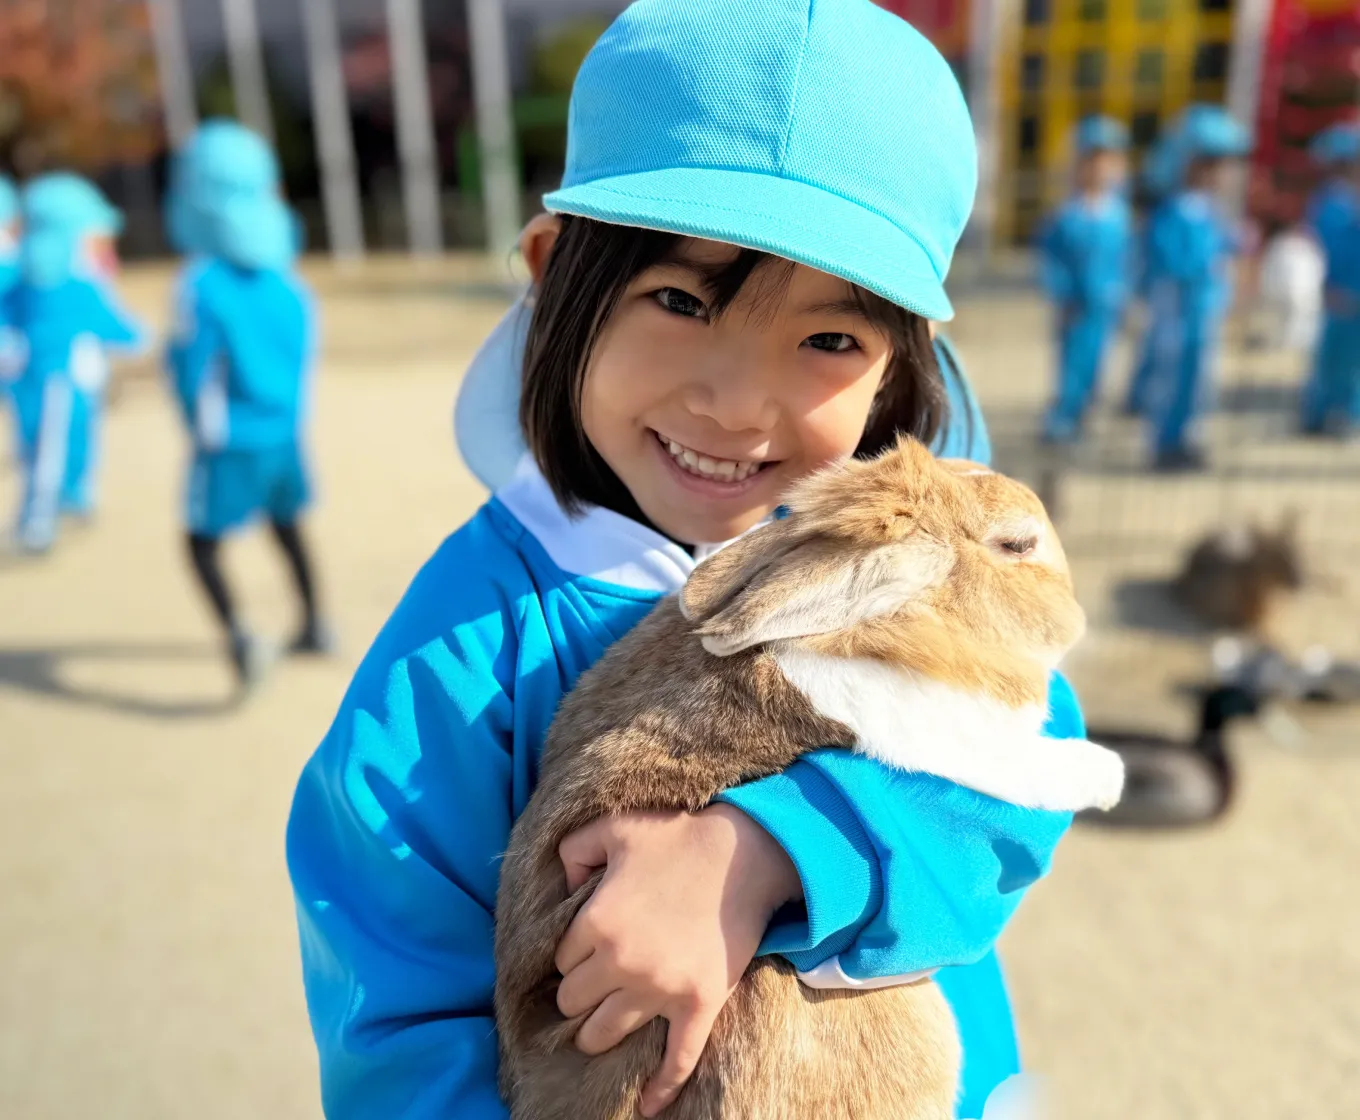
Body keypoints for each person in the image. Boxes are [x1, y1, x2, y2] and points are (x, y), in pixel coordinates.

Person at [287, 3, 1088, 1119]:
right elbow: (405, 1033)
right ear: (551, 268)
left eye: (829, 338)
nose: (735, 404)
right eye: (679, 299)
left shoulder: (916, 563)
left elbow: (1024, 770)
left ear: (900, 362)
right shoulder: (458, 660)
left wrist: (774, 845)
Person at [163, 121, 331, 690]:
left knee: (200, 542)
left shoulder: (200, 281)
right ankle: (316, 624)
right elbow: (306, 352)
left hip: (228, 440)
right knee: (288, 525)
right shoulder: (287, 279)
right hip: (284, 434)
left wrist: (197, 423)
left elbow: (190, 369)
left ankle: (240, 638)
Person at [2, 173, 145, 553]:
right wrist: (145, 340)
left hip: (52, 376)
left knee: (52, 444)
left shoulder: (35, 279)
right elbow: (112, 323)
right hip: (55, 378)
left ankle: (68, 500)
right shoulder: (62, 283)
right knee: (48, 449)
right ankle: (38, 521)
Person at [1140, 105, 1250, 471]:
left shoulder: (1208, 210)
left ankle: (1188, 437)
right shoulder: (1172, 211)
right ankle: (1165, 442)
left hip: (1204, 313)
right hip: (1178, 312)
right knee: (1172, 376)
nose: (1221, 174)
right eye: (1212, 164)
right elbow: (1168, 260)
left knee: (1199, 378)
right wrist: (1208, 264)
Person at [1036, 116, 1132, 443]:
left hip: (1105, 305)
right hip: (1075, 307)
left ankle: (1084, 417)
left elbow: (1126, 261)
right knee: (1072, 365)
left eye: (1108, 162)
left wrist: (1125, 295)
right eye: (1092, 162)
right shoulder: (1066, 215)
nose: (1099, 171)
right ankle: (1061, 420)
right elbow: (1052, 261)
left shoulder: (1118, 215)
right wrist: (1060, 294)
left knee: (1098, 363)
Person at [1301, 122, 1360, 435]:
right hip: (1341, 291)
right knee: (1335, 359)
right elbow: (1332, 251)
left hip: (1351, 290)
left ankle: (1342, 414)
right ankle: (1324, 413)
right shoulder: (1333, 202)